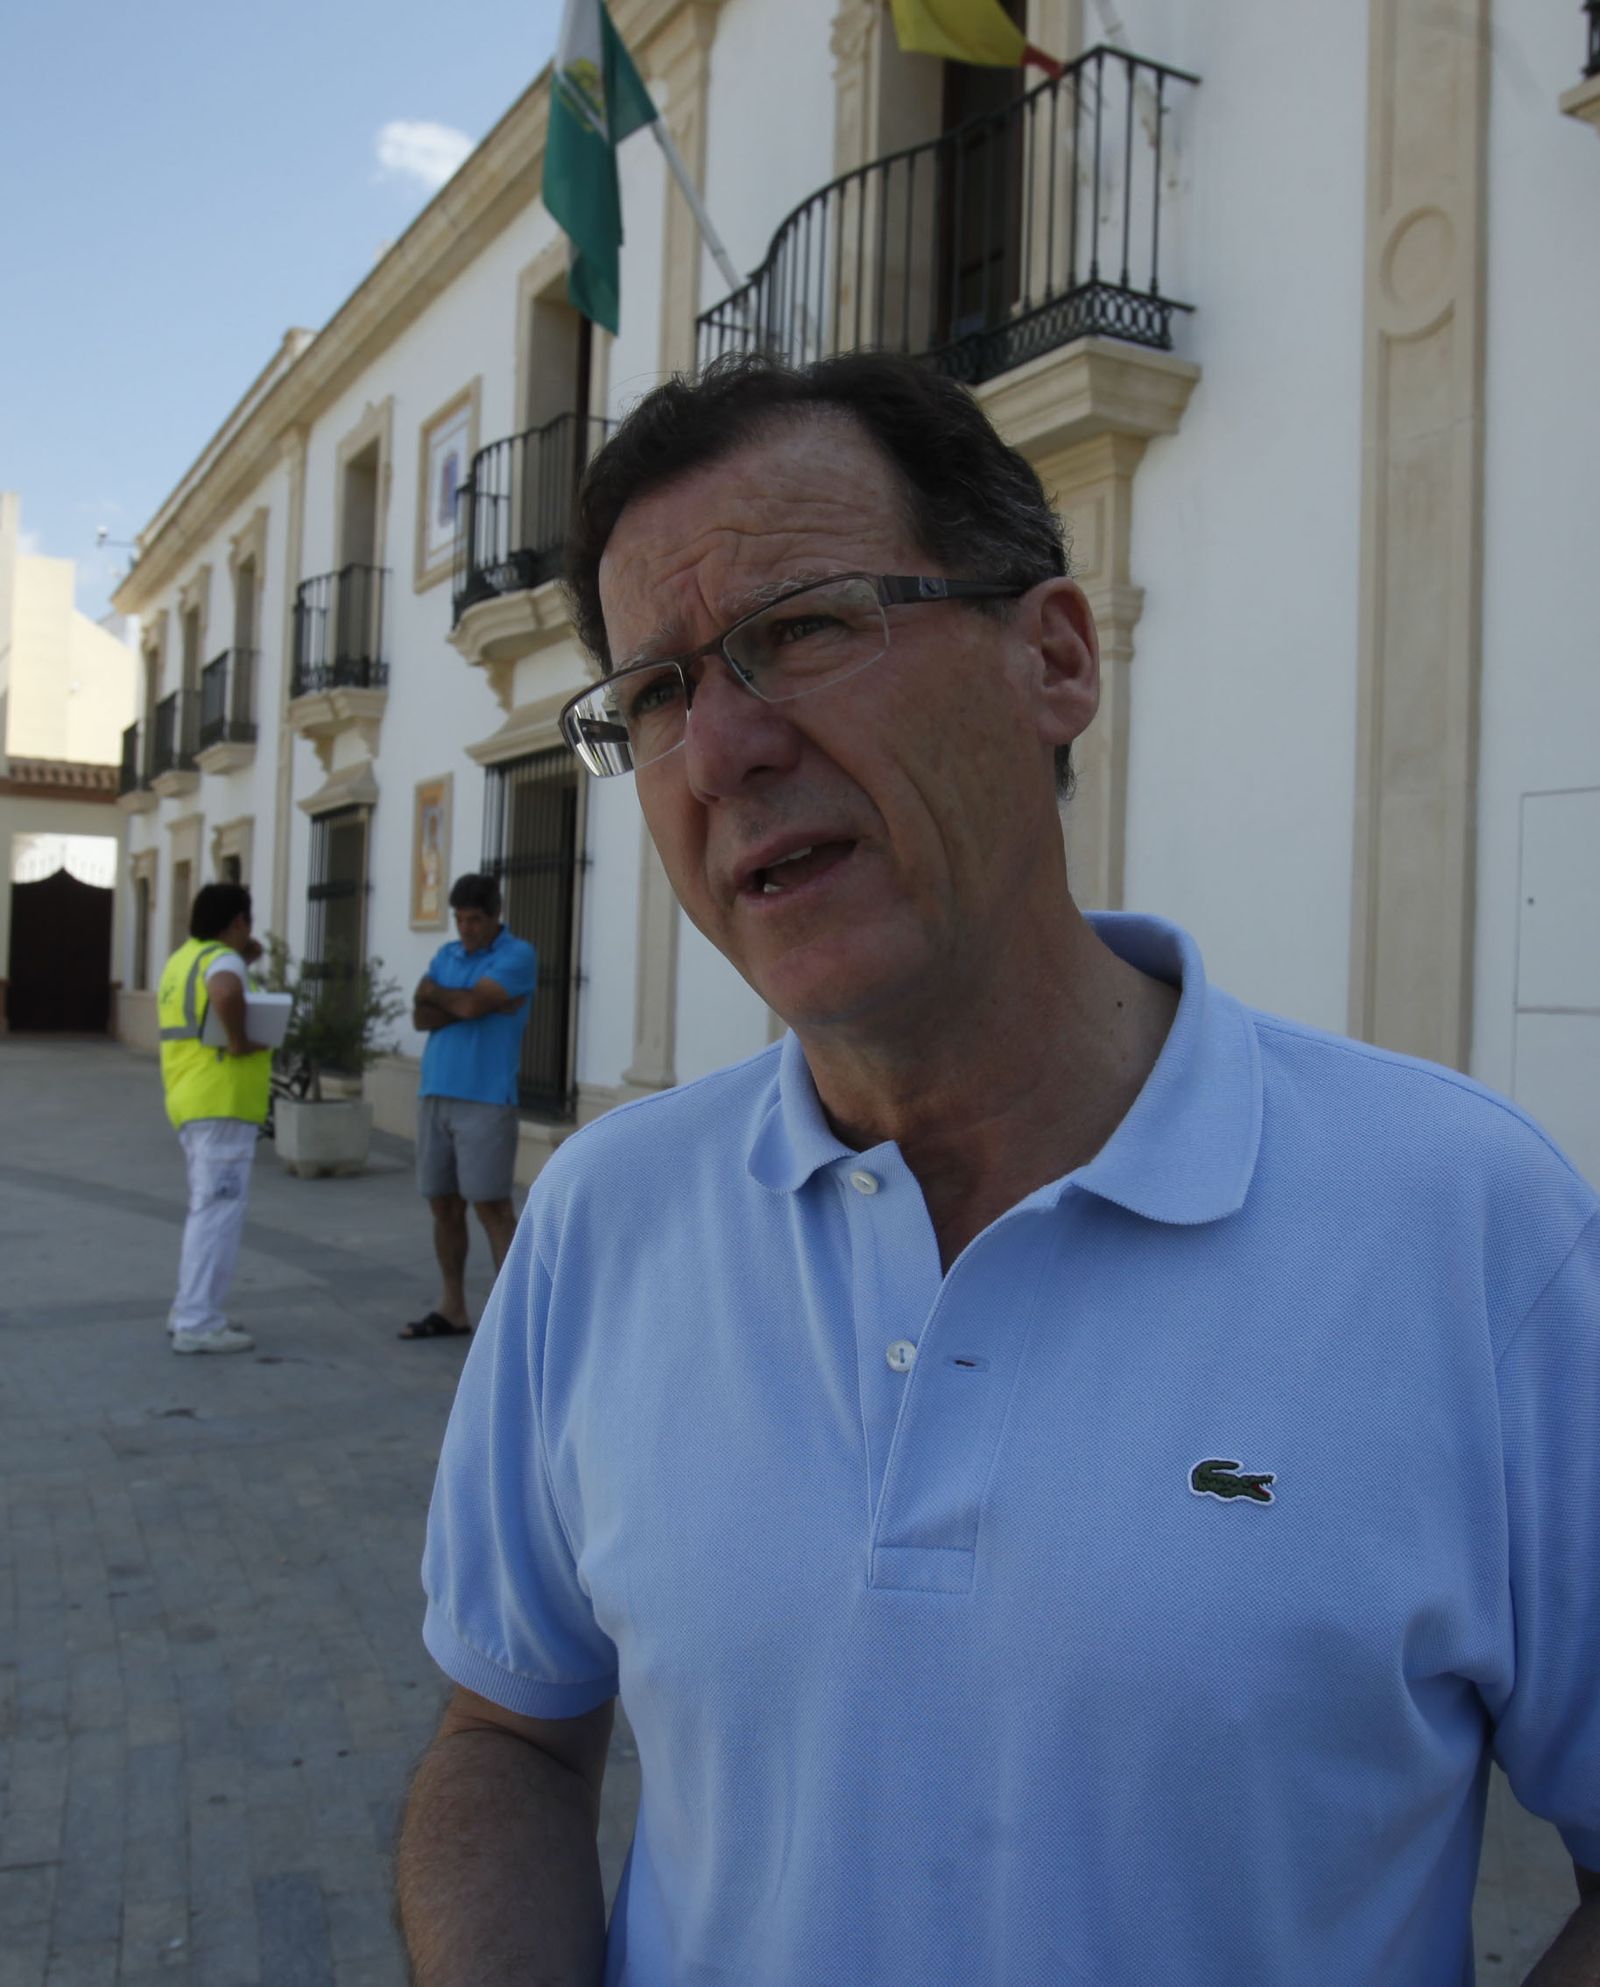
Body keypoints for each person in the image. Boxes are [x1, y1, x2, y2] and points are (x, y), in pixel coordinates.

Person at [398, 355, 1600, 1986]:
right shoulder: (604, 1221)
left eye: (803, 626)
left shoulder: (1475, 1229)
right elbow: (509, 1737)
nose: (724, 746)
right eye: (660, 691)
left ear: (1054, 656)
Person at [401, 872, 538, 1340]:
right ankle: (453, 1307)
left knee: (492, 1208)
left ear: (495, 916)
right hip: (435, 1092)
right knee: (443, 1205)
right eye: (459, 919)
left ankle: (514, 1325)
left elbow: (469, 1007)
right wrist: (459, 1002)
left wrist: (444, 996)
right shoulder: (448, 954)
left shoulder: (517, 955)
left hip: (486, 1099)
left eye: (474, 920)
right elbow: (422, 1017)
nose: (465, 929)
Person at [158, 880, 271, 1356]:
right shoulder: (222, 963)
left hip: (189, 1098)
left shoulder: (185, 959)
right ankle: (198, 1321)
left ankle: (191, 1307)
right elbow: (225, 992)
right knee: (217, 1213)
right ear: (239, 923)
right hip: (221, 1101)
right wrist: (241, 1041)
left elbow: (217, 985)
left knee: (205, 1208)